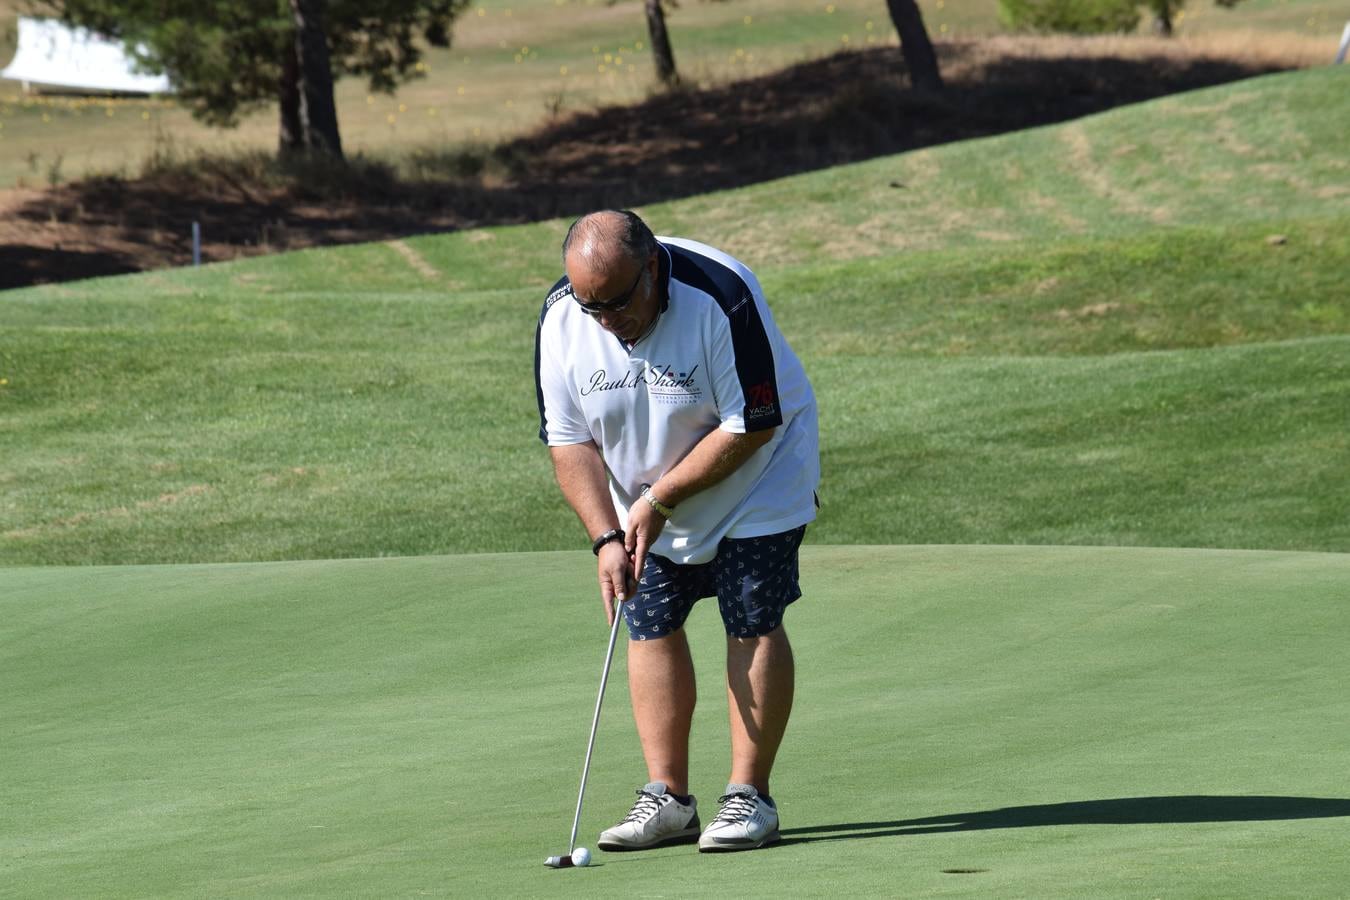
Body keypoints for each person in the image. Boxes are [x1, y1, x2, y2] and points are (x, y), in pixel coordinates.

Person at [534, 209, 820, 853]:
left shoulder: (720, 296)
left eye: (617, 302)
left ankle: (750, 797)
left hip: (759, 473)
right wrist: (606, 537)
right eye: (591, 306)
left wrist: (661, 499)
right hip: (644, 487)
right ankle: (668, 798)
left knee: (751, 615)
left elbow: (753, 423)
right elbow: (568, 440)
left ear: (653, 267)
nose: (606, 320)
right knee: (650, 619)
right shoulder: (560, 318)